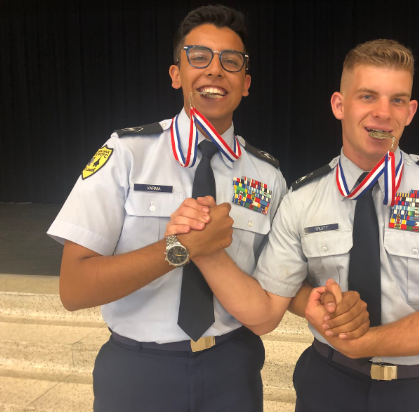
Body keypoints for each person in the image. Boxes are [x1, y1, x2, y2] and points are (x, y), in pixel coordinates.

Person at [180, 39, 419, 411]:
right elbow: (270, 301)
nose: (382, 113)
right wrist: (313, 304)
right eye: (367, 97)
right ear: (339, 105)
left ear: (410, 112)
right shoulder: (301, 199)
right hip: (328, 385)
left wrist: (365, 343)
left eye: (396, 100)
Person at [47, 5, 296, 411]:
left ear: (246, 83)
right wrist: (180, 249)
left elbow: (272, 294)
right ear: (176, 74)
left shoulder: (268, 177)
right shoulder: (127, 154)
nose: (215, 70)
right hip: (138, 371)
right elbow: (73, 288)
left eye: (230, 62)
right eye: (198, 57)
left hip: (232, 370)